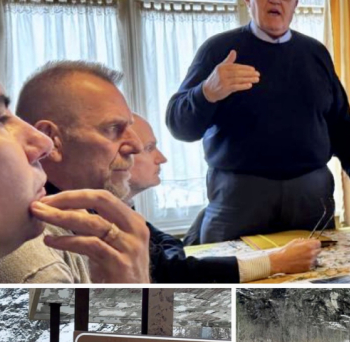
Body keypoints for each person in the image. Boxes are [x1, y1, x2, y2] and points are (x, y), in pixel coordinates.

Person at [166, 0, 350, 243]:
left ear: (295, 3)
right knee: (224, 277)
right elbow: (179, 125)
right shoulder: (219, 50)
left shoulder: (315, 53)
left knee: (320, 278)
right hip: (239, 197)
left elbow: (342, 126)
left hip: (310, 195)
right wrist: (206, 92)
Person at [0, 60, 151, 283]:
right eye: (113, 128)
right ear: (51, 140)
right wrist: (135, 284)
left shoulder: (92, 217)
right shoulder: (39, 261)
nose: (136, 145)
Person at [126, 114, 320, 282]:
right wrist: (275, 262)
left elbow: (166, 246)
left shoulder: (122, 207)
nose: (161, 158)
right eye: (149, 148)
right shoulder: (103, 213)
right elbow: (171, 272)